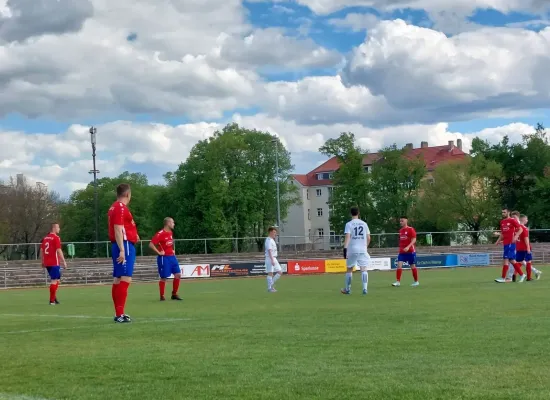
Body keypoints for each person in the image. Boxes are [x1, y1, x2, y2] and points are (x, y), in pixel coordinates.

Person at [108, 183, 139, 323]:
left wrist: (134, 234)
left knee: (118, 278)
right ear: (128, 194)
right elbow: (118, 229)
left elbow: (123, 227)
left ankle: (119, 313)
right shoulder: (120, 207)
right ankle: (119, 314)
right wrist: (122, 249)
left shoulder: (114, 207)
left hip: (123, 243)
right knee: (126, 278)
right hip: (124, 245)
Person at [149, 217, 182, 301]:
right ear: (168, 223)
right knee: (164, 277)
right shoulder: (160, 234)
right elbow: (151, 244)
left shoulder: (170, 232)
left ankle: (174, 294)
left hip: (172, 257)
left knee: (178, 275)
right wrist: (159, 252)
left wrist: (172, 249)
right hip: (164, 258)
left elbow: (170, 242)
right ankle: (162, 296)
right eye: (173, 222)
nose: (174, 224)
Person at [341, 206, 371, 295]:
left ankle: (348, 289)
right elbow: (369, 237)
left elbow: (347, 236)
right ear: (358, 213)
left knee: (349, 269)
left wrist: (345, 249)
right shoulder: (364, 224)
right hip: (363, 248)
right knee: (364, 269)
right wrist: (365, 246)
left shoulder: (349, 224)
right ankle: (365, 289)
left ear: (350, 213)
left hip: (352, 248)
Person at [40, 223, 67, 305]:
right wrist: (64, 261)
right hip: (54, 262)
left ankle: (54, 298)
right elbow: (59, 250)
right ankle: (52, 301)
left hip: (47, 262)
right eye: (58, 227)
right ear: (54, 228)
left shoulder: (45, 238)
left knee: (57, 279)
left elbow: (41, 250)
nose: (59, 229)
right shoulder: (56, 238)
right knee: (54, 281)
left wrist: (42, 261)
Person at [494, 209, 524, 283]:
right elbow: (502, 234)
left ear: (508, 212)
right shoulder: (502, 222)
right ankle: (522, 274)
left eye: (504, 212)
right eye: (502, 212)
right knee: (510, 260)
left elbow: (520, 229)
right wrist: (497, 241)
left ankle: (503, 278)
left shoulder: (512, 220)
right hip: (506, 243)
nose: (503, 213)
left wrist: (516, 236)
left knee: (507, 259)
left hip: (511, 243)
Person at [510, 214, 542, 281]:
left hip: (518, 248)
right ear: (523, 220)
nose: (527, 220)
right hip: (525, 247)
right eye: (526, 219)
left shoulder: (516, 228)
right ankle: (528, 278)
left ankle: (515, 274)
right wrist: (528, 247)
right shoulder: (524, 228)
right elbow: (526, 238)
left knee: (519, 261)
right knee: (528, 261)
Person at [392, 216, 419, 287]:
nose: (401, 222)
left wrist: (408, 247)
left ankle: (416, 281)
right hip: (402, 252)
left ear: (406, 221)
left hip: (410, 252)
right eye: (400, 221)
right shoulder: (400, 231)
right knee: (399, 265)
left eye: (402, 221)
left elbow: (414, 239)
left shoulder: (411, 229)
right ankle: (398, 282)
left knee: (412, 266)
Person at [265, 227, 282, 292]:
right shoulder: (268, 240)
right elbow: (269, 250)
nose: (275, 234)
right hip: (270, 258)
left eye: (275, 232)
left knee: (280, 272)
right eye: (274, 232)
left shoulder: (272, 240)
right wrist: (272, 259)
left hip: (274, 257)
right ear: (270, 232)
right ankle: (270, 288)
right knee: (270, 273)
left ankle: (271, 285)